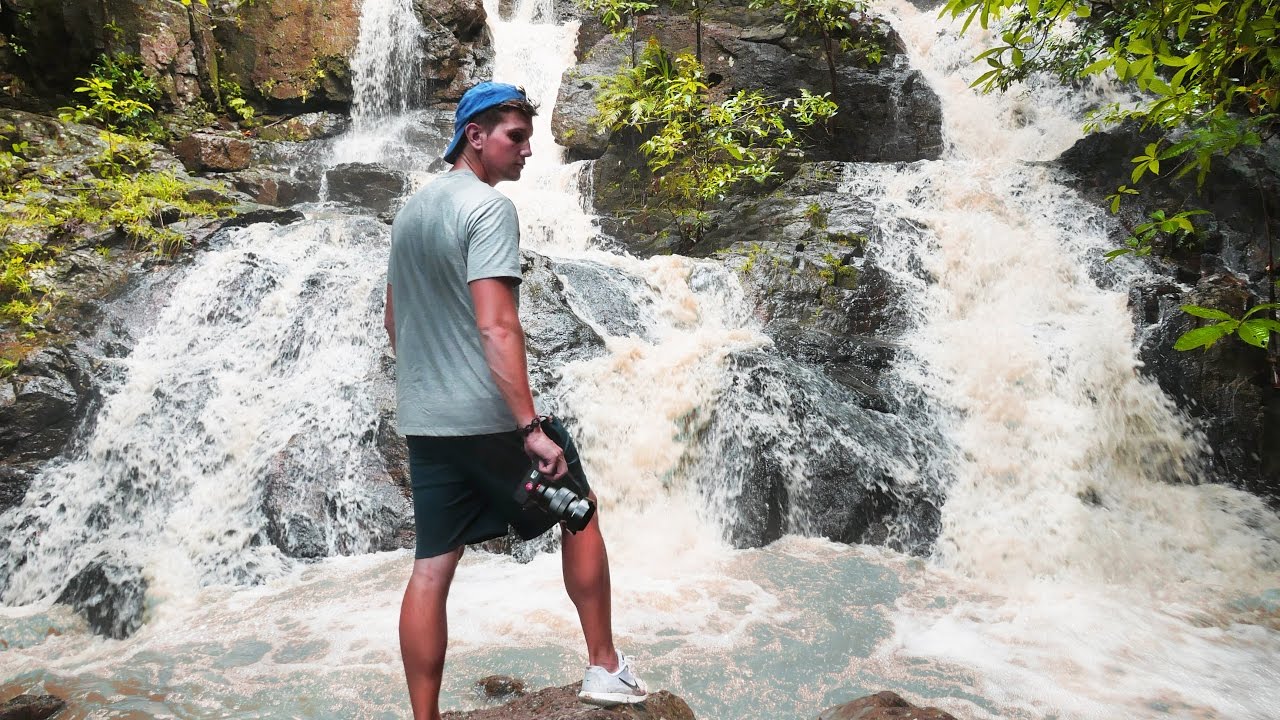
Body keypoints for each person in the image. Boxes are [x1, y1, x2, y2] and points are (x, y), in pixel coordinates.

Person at [383, 81, 648, 720]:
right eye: (516, 136)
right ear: (474, 135)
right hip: (489, 420)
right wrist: (529, 425)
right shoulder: (488, 209)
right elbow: (497, 325)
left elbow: (395, 322)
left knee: (431, 567)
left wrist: (432, 387)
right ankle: (604, 668)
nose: (528, 150)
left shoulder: (412, 211)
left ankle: (426, 717)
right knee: (578, 510)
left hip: (428, 422)